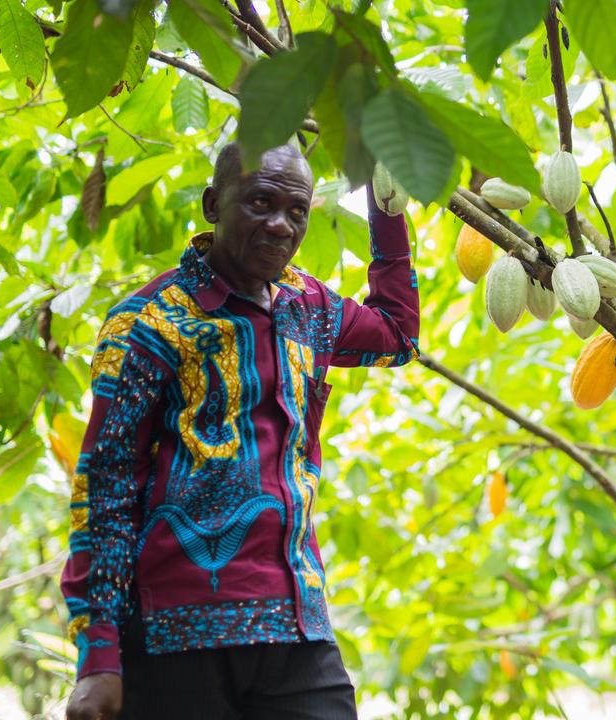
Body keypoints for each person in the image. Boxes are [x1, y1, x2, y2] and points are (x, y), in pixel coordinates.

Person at [61, 142, 420, 720]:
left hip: (297, 629)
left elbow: (399, 337)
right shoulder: (149, 321)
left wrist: (387, 200)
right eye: (260, 202)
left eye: (296, 212)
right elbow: (104, 489)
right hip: (175, 635)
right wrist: (98, 655)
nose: (280, 224)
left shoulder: (310, 307)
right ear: (212, 204)